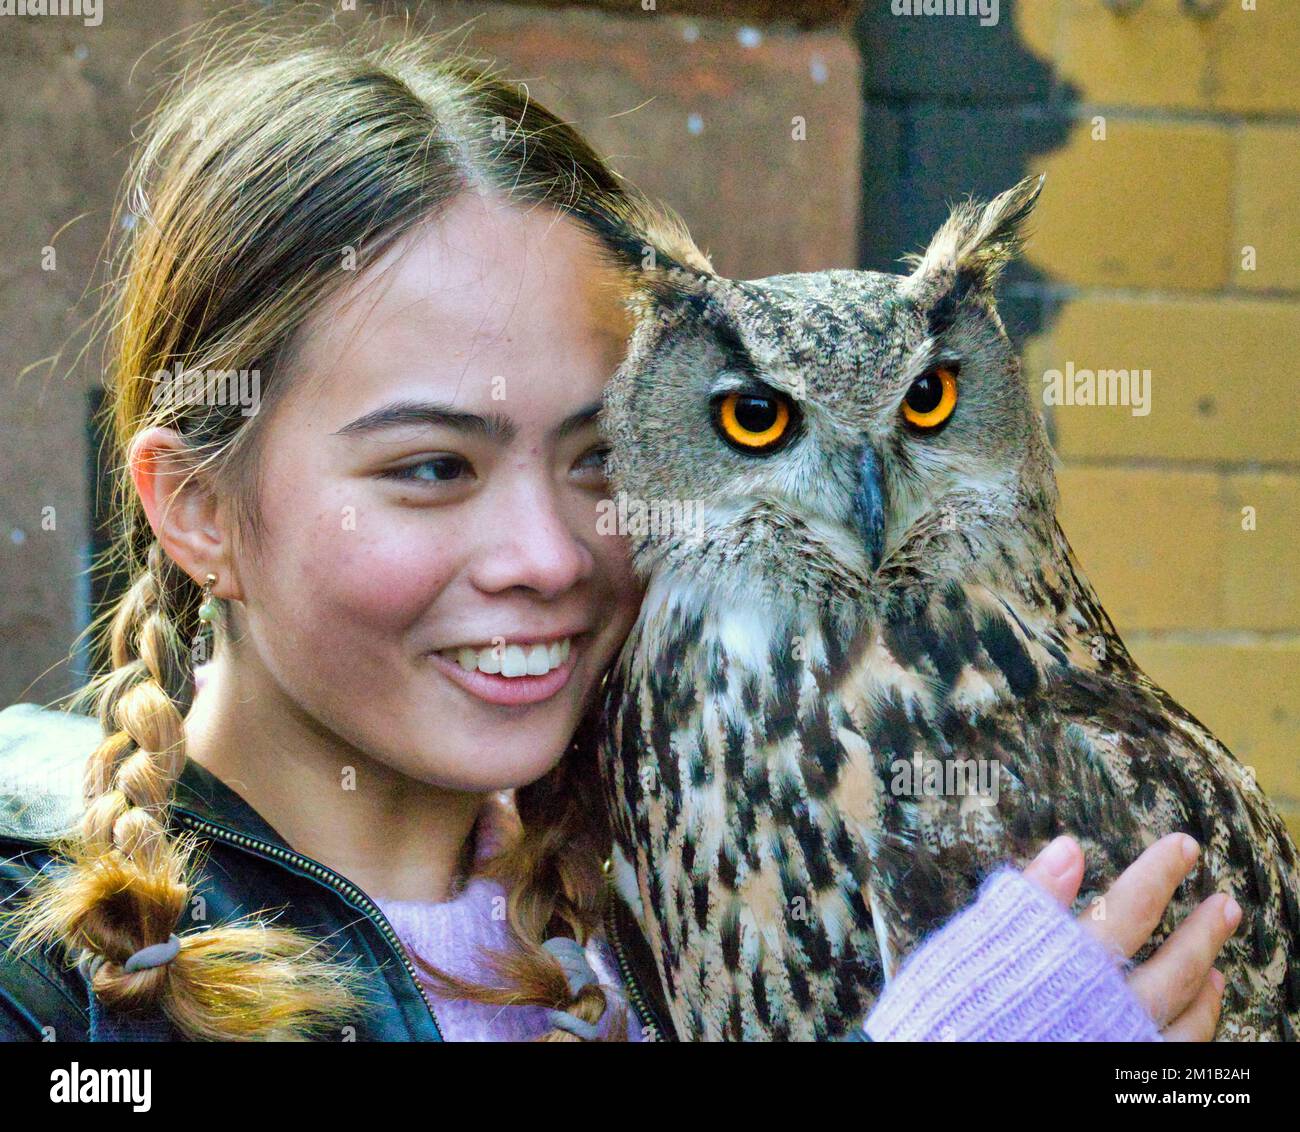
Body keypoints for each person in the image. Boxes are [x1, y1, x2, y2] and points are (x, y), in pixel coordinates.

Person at [0, 24, 1236, 1042]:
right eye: (433, 467)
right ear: (198, 510)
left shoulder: (675, 849)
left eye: (602, 460)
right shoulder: (49, 979)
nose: (547, 554)